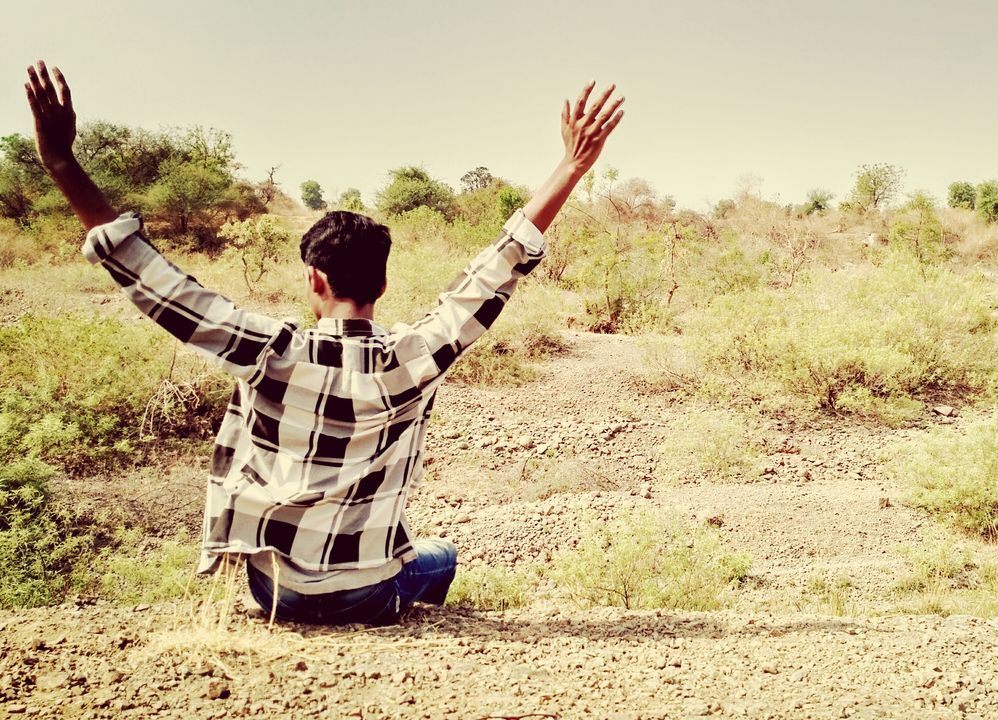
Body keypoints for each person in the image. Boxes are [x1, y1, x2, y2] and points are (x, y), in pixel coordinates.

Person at [23, 60, 624, 624]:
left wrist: (62, 165)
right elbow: (497, 269)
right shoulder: (415, 356)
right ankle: (413, 618)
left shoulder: (269, 351)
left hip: (274, 590)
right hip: (364, 594)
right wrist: (571, 166)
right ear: (383, 282)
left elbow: (159, 284)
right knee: (440, 554)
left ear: (314, 279)